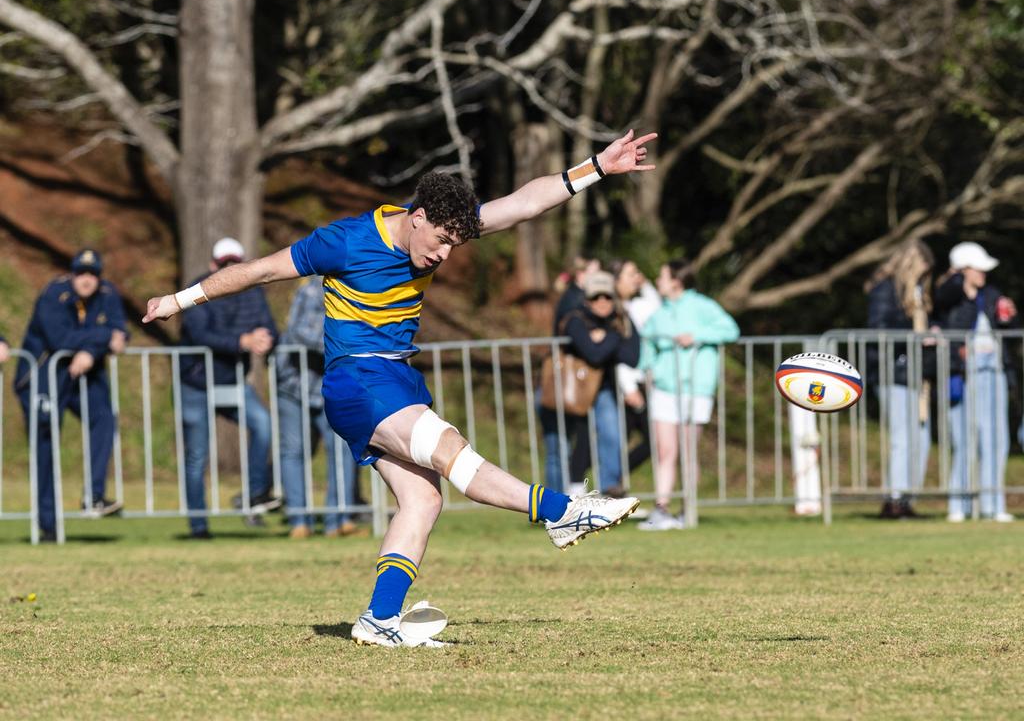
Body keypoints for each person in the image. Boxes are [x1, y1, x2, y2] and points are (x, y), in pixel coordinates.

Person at [144, 129, 656, 647]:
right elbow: (256, 271)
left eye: (455, 246)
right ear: (417, 218)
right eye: (439, 242)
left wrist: (597, 166)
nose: (443, 256)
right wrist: (178, 301)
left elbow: (523, 203)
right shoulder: (342, 242)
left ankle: (378, 620)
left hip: (395, 377)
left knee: (422, 501)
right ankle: (561, 513)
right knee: (451, 449)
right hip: (357, 380)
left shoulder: (445, 223)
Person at [14, 249, 127, 542]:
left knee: (104, 417)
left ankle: (94, 496)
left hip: (82, 376)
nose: (86, 280)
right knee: (46, 449)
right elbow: (60, 339)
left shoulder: (108, 293)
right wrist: (100, 341)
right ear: (72, 274)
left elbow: (121, 332)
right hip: (41, 377)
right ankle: (48, 525)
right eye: (81, 273)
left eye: (92, 274)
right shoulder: (54, 294)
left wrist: (90, 351)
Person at [177, 238, 281, 539]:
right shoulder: (195, 291)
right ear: (213, 266)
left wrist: (265, 337)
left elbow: (268, 326)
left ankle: (253, 493)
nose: (230, 269)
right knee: (197, 456)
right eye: (225, 265)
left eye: (235, 263)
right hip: (196, 382)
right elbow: (200, 333)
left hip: (233, 381)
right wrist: (243, 341)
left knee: (263, 425)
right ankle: (198, 525)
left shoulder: (252, 292)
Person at [638, 259, 739, 531]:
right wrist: (646, 369)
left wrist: (697, 335)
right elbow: (646, 343)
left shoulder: (703, 306)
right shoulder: (659, 313)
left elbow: (730, 329)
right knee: (665, 451)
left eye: (662, 276)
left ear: (676, 281)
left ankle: (688, 508)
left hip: (696, 388)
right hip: (664, 389)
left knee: (687, 450)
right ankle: (661, 509)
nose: (658, 281)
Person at [933, 242, 1018, 523]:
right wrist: (959, 283)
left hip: (993, 373)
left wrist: (1008, 315)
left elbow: (1009, 326)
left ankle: (994, 503)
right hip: (962, 374)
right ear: (964, 269)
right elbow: (943, 301)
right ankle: (960, 504)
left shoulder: (991, 295)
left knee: (996, 438)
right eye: (978, 268)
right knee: (964, 439)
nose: (983, 274)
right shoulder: (950, 294)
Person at [276, 276, 362, 539]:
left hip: (334, 386)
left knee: (342, 451)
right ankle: (298, 520)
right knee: (294, 452)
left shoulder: (362, 290)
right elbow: (297, 330)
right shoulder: (313, 289)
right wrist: (341, 341)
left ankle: (339, 519)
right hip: (294, 383)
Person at [544, 270, 640, 496]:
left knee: (611, 436)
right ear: (587, 299)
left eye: (607, 296)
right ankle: (555, 502)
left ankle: (610, 489)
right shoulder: (575, 319)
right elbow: (593, 354)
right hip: (569, 390)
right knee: (560, 446)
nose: (603, 302)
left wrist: (606, 337)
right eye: (597, 297)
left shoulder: (618, 320)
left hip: (602, 390)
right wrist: (615, 339)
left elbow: (633, 357)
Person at [865, 240, 936, 519]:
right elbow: (878, 328)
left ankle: (907, 497)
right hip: (892, 372)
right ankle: (893, 499)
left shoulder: (917, 293)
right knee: (902, 438)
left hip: (916, 375)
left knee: (921, 438)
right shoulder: (886, 290)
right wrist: (912, 334)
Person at [610, 258, 662, 478]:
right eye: (631, 274)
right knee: (616, 440)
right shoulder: (613, 309)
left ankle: (613, 482)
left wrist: (645, 284)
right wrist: (628, 386)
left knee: (646, 440)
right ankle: (604, 483)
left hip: (640, 381)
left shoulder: (637, 305)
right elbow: (618, 351)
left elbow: (658, 308)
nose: (636, 277)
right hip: (625, 384)